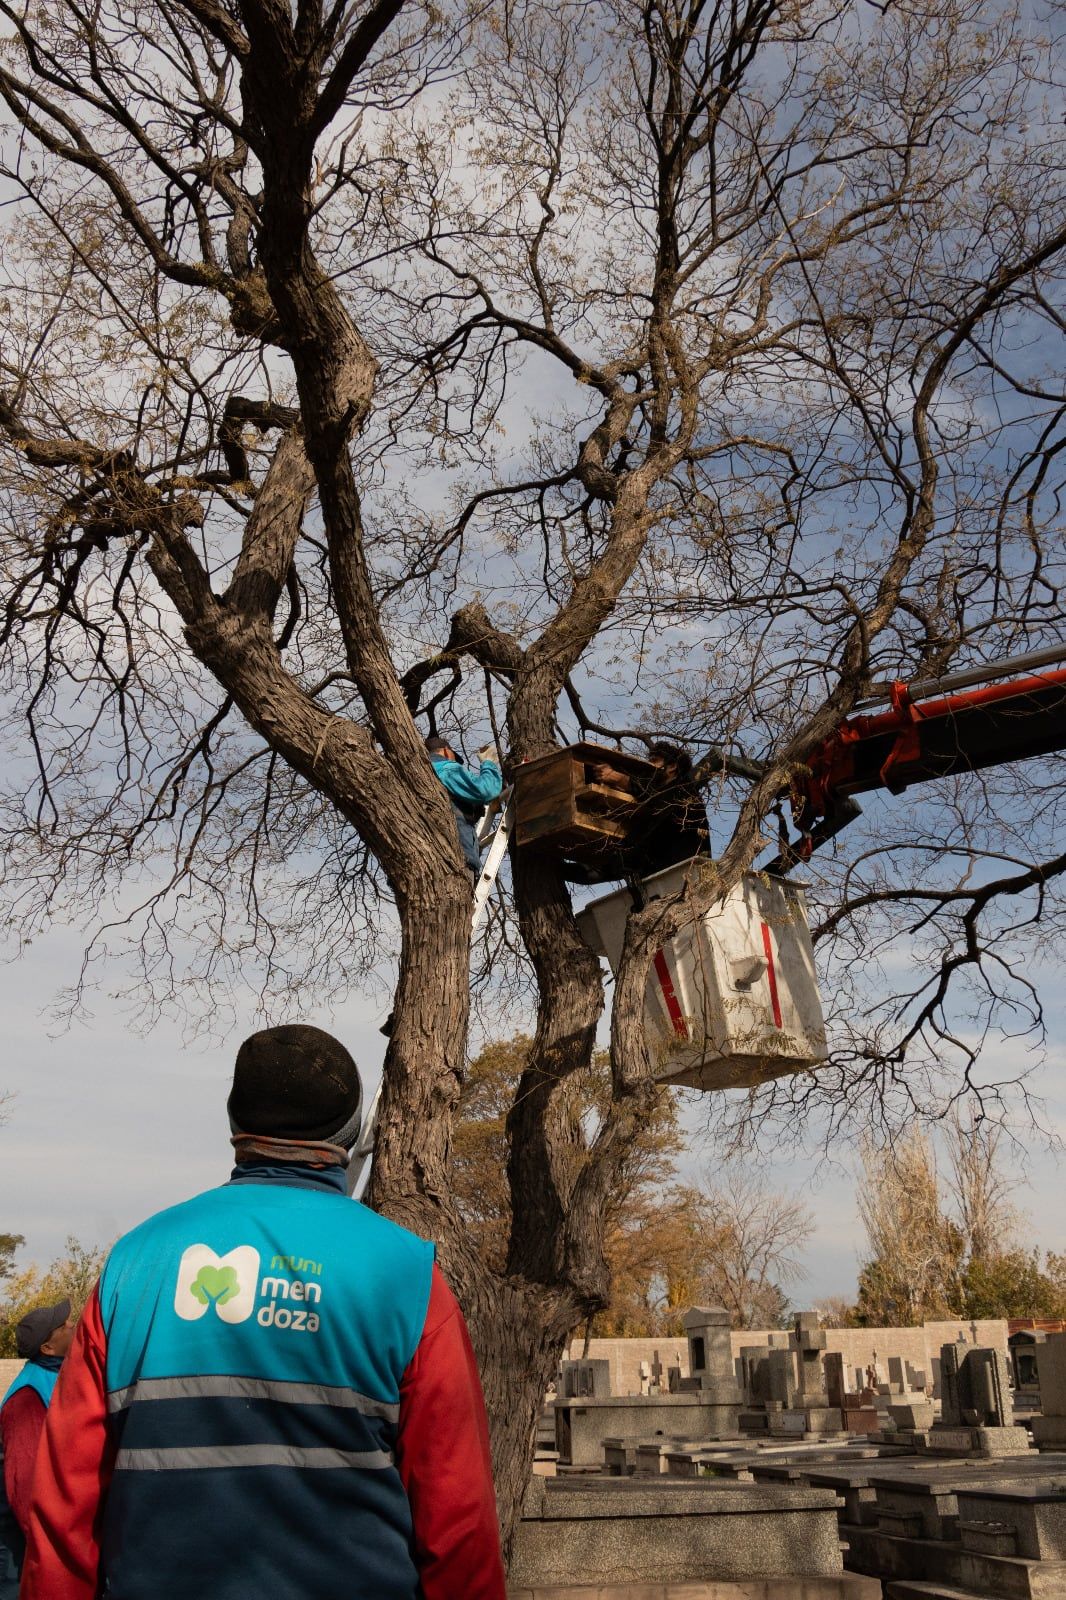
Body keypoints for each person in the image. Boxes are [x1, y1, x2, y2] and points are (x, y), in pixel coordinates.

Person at [20, 1024, 507, 1600]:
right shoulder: (405, 1276)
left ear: (234, 1125)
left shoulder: (135, 1263)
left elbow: (64, 1507)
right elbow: (457, 1519)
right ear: (351, 1131)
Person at [0, 1299, 74, 1598]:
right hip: (22, 1535)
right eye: (63, 1325)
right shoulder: (27, 1397)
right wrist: (48, 1542)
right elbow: (25, 1481)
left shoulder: (57, 1377)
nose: (72, 1325)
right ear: (47, 1348)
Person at [626, 741, 710, 878]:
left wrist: (623, 781)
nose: (649, 766)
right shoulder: (658, 803)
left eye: (654, 761)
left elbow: (658, 797)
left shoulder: (683, 792)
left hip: (685, 875)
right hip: (660, 876)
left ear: (671, 766)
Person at [426, 734, 503, 880]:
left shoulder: (420, 774)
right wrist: (489, 764)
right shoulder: (447, 768)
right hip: (455, 862)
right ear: (446, 752)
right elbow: (485, 790)